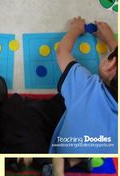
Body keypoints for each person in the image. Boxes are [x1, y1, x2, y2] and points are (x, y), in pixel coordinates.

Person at [50, 18, 118, 153]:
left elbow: (62, 51)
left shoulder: (87, 88)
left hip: (58, 160)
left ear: (110, 65)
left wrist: (76, 28)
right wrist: (112, 42)